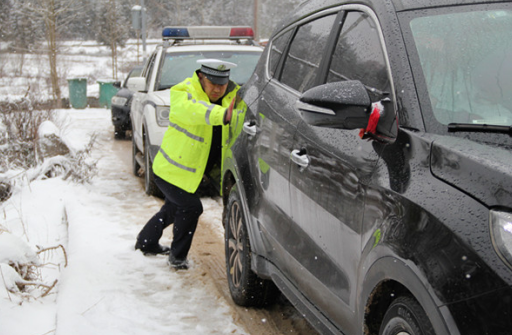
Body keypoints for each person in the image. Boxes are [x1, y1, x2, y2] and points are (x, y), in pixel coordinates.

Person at [135, 59, 238, 270]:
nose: (218, 89)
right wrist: (224, 115)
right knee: (191, 207)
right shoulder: (183, 92)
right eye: (213, 83)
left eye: (223, 84)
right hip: (169, 170)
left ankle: (145, 242)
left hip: (189, 173)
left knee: (173, 209)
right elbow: (194, 110)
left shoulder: (231, 97)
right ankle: (177, 257)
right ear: (201, 77)